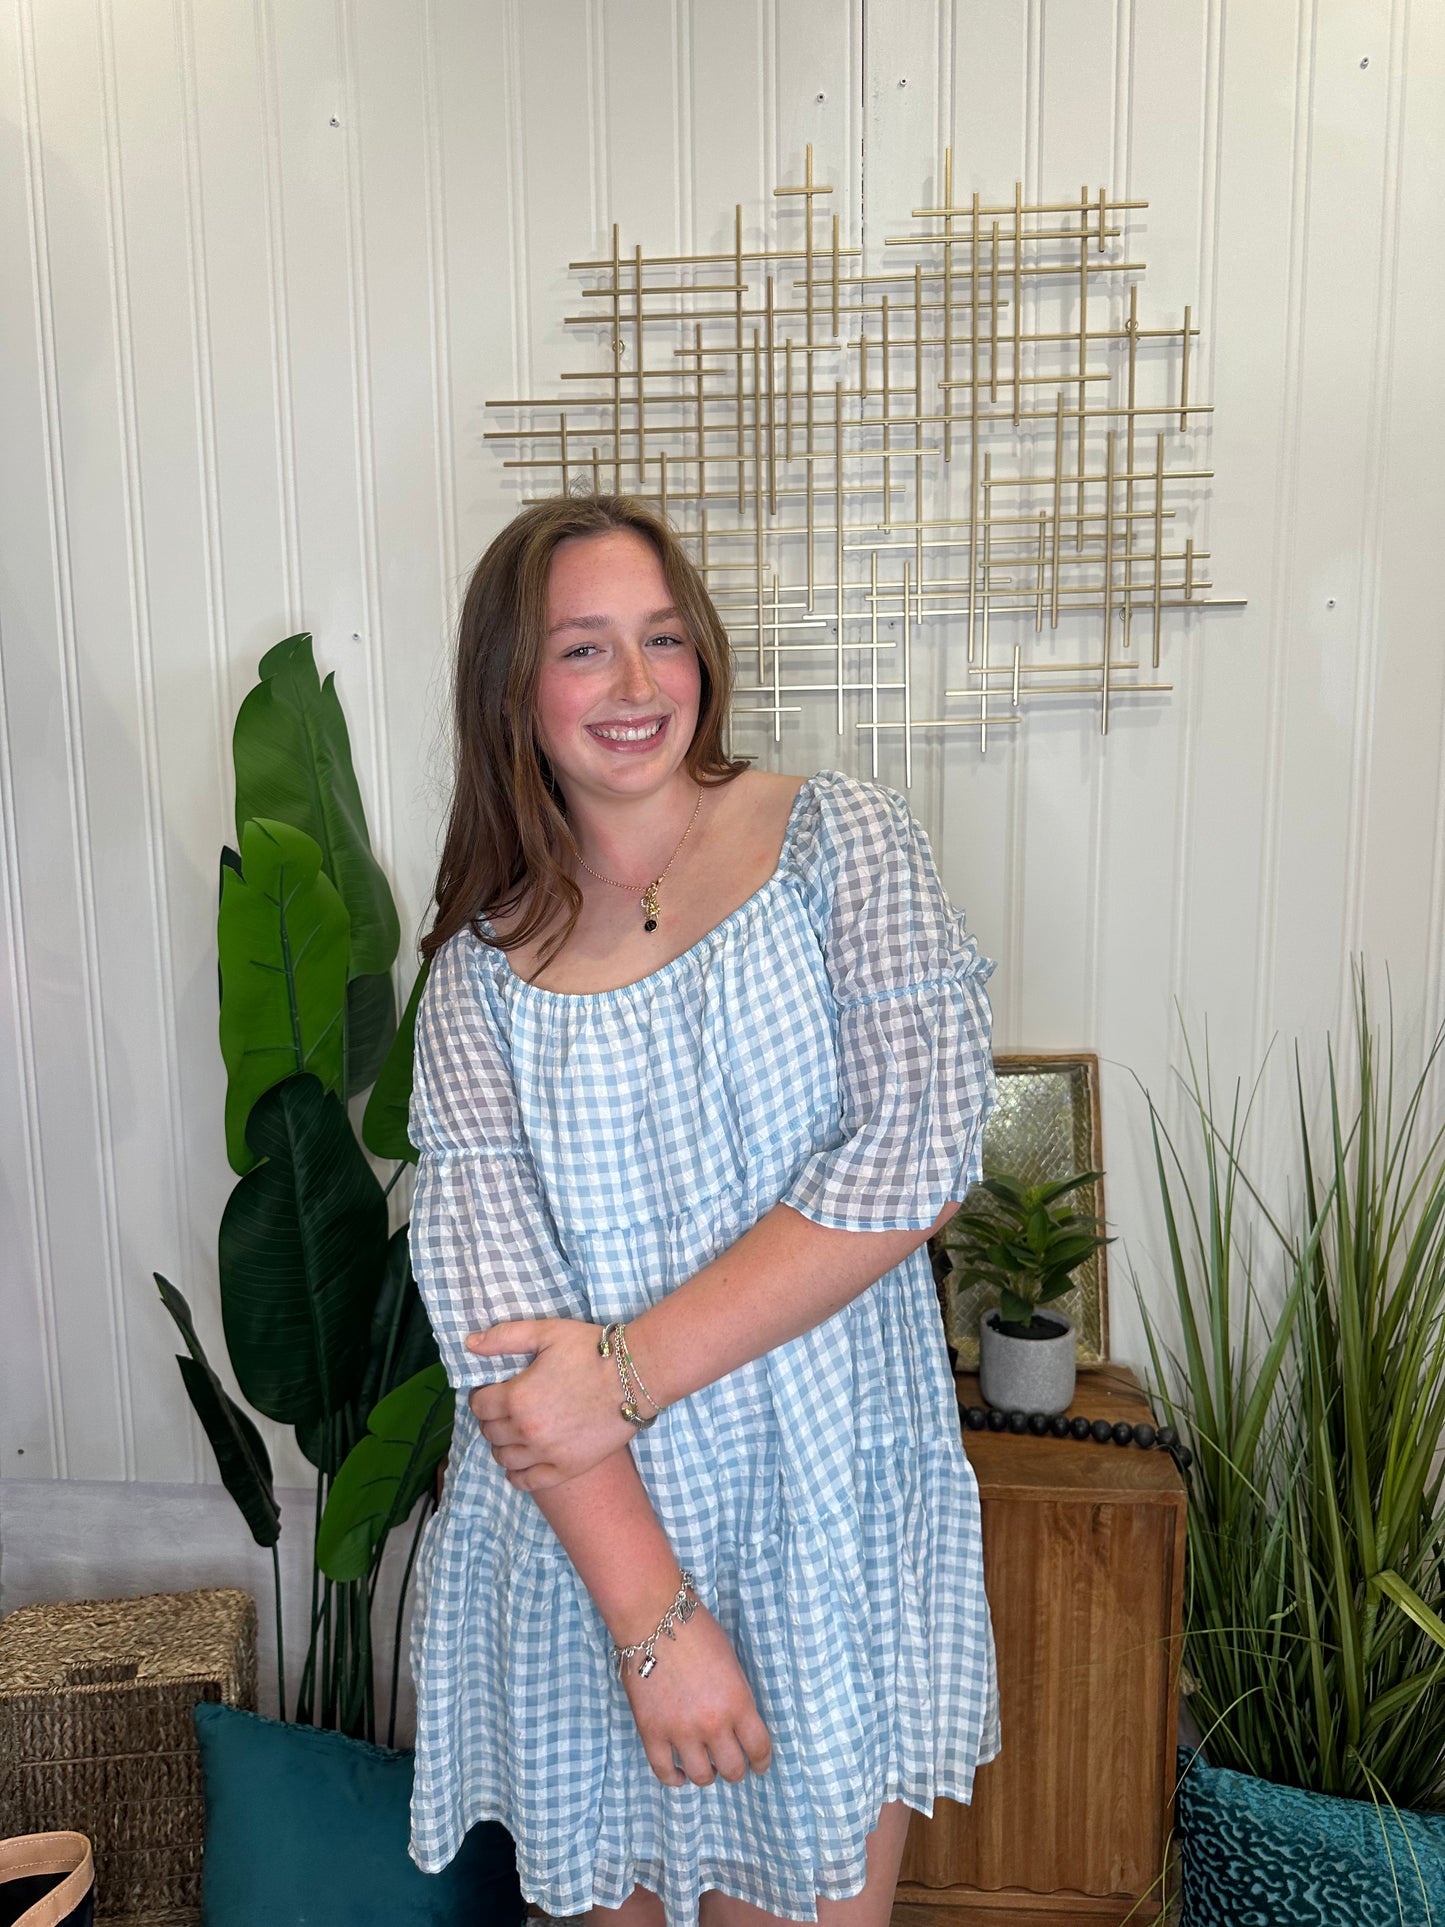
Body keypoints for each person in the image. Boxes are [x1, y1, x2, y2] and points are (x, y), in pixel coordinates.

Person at [406, 494, 999, 1927]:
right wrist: (653, 1624)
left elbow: (913, 1155)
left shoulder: (841, 843)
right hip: (588, 1555)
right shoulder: (479, 975)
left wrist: (622, 1373)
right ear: (511, 686)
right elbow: (500, 1333)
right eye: (583, 649)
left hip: (822, 1516)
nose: (635, 684)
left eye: (662, 639)